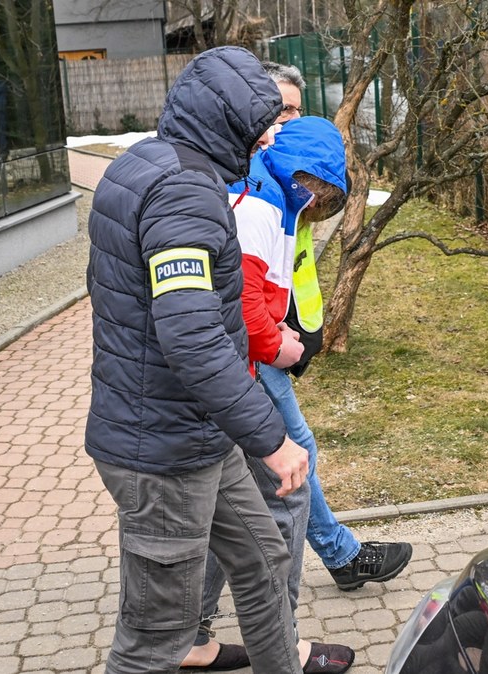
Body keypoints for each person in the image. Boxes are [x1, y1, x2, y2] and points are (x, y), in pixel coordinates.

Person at [85, 46, 309, 674]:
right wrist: (271, 438)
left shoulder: (144, 164)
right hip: (161, 454)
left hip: (195, 434)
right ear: (228, 119)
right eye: (265, 121)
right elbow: (191, 337)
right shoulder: (184, 192)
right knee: (155, 638)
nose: (271, 136)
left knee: (264, 562)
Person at [182, 116, 359, 674]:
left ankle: (192, 635)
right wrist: (277, 344)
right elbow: (240, 304)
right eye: (318, 201)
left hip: (228, 380)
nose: (314, 213)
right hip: (241, 378)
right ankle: (285, 647)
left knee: (226, 511)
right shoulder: (260, 207)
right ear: (309, 184)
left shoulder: (257, 188)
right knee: (288, 491)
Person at [259, 60, 414, 592]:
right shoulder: (256, 184)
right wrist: (273, 339)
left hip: (278, 335)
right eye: (277, 111)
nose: (284, 124)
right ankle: (339, 557)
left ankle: (200, 614)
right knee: (292, 454)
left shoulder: (290, 177)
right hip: (255, 345)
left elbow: (290, 264)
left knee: (258, 471)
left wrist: (307, 328)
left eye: (294, 111)